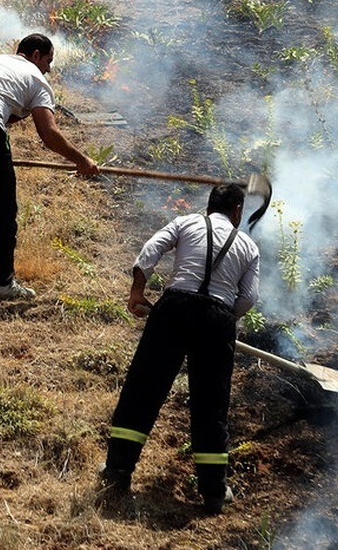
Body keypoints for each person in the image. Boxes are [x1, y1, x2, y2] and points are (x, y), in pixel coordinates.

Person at [99, 181, 261, 513]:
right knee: (211, 405)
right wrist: (221, 319)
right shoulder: (248, 246)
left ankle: (117, 471)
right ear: (237, 211)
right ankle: (214, 492)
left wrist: (137, 292)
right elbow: (248, 298)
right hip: (217, 318)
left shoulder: (187, 222)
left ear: (209, 206)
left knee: (142, 391)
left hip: (173, 308)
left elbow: (149, 251)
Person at [0, 32, 99, 299]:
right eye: (49, 61)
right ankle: (3, 282)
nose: (48, 68)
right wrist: (82, 160)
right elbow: (48, 134)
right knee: (1, 208)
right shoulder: (37, 80)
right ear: (36, 55)